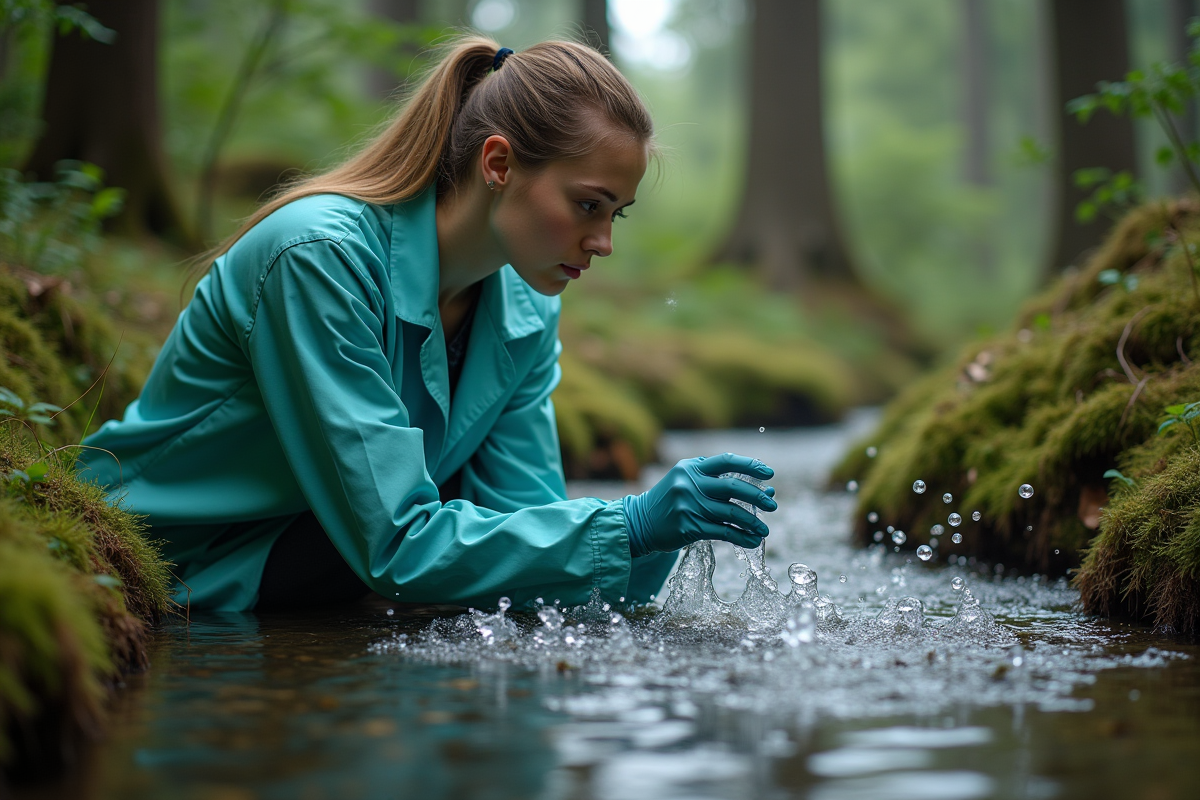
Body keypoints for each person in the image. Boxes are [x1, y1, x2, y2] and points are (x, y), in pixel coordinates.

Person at [76, 36, 777, 613]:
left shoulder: (527, 312)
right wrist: (630, 523)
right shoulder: (318, 259)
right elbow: (398, 547)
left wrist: (655, 541)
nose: (604, 243)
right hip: (159, 563)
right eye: (589, 205)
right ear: (498, 163)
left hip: (318, 564)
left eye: (616, 213)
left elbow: (522, 528)